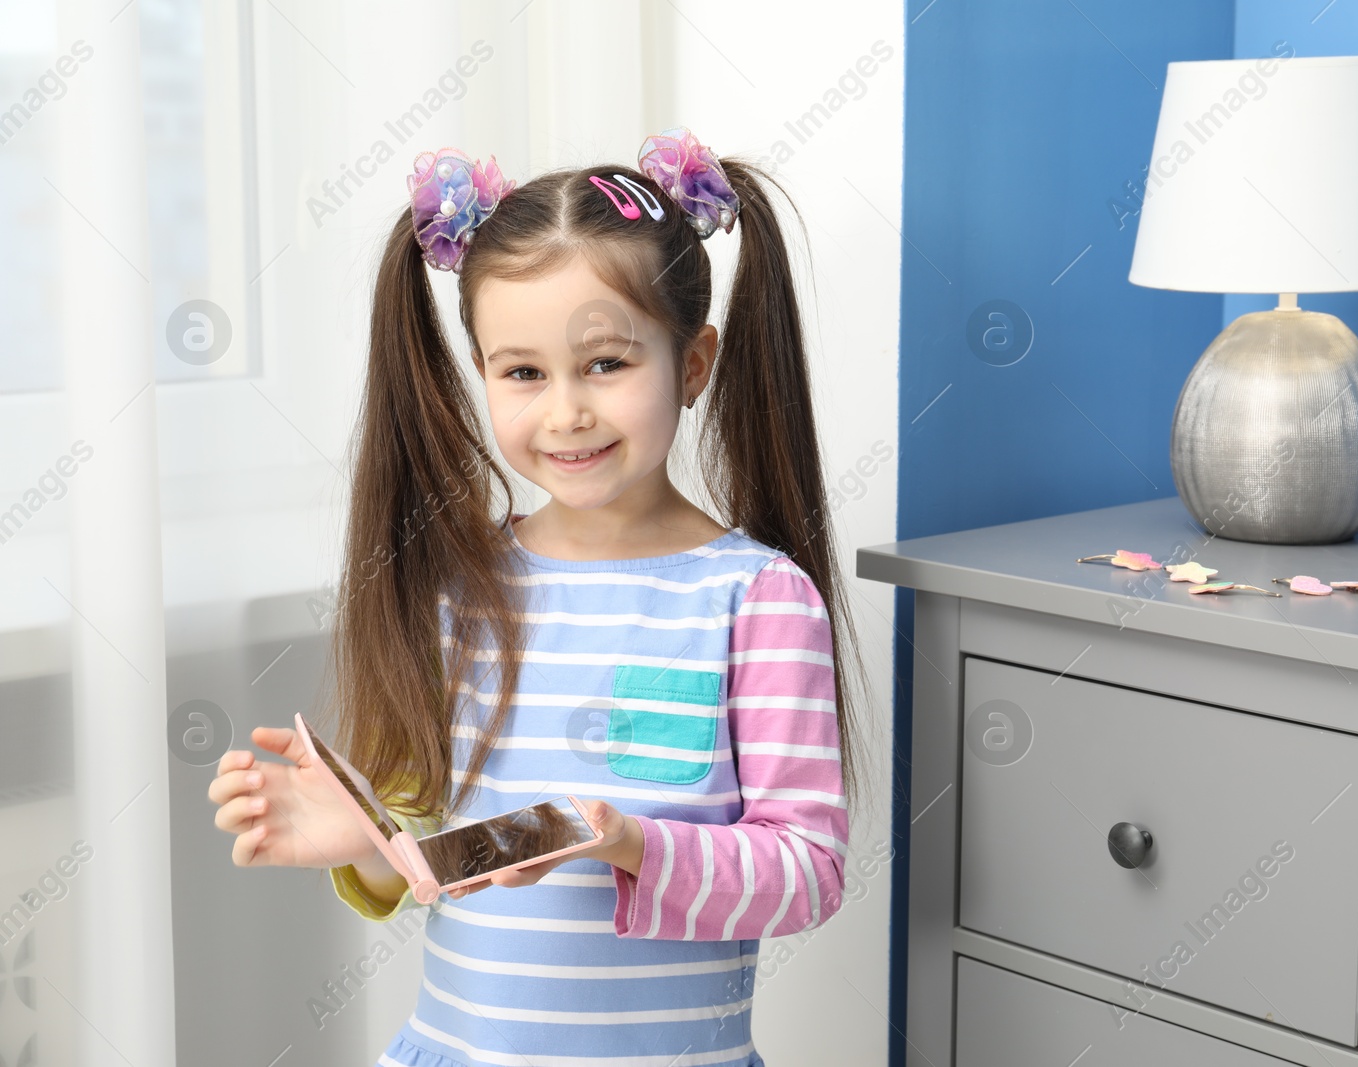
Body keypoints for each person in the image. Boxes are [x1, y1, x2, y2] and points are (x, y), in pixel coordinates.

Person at [206, 127, 865, 1066]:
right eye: (523, 372)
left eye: (607, 363)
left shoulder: (756, 600)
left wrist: (629, 840)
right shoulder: (459, 589)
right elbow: (432, 851)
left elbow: (806, 874)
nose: (566, 412)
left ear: (694, 362)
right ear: (482, 372)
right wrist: (364, 841)